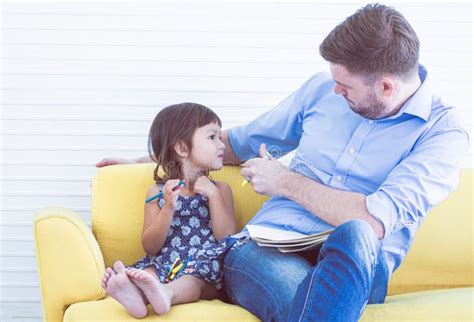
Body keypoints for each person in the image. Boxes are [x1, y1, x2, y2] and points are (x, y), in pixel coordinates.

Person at [97, 4, 469, 321]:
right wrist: (150, 158)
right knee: (301, 294)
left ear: (386, 87)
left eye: (345, 85)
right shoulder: (320, 90)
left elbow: (373, 218)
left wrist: (285, 181)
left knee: (356, 232)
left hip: (358, 262)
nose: (334, 90)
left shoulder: (443, 135)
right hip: (268, 246)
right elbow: (235, 144)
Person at [100, 103, 237, 318]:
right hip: (166, 262)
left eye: (220, 137)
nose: (222, 145)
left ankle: (167, 294)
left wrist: (213, 196)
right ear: (182, 148)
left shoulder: (220, 189)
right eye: (212, 137)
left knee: (191, 281)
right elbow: (151, 246)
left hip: (204, 270)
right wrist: (168, 209)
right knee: (147, 274)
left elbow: (227, 238)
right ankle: (136, 296)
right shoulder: (157, 192)